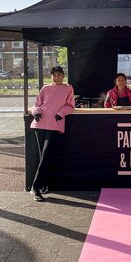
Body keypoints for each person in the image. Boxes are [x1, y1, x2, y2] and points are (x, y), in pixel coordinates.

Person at [29, 66, 75, 201]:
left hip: (54, 124)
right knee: (43, 156)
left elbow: (71, 105)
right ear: (51, 76)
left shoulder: (68, 88)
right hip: (40, 123)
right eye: (54, 75)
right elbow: (36, 104)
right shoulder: (45, 88)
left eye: (59, 75)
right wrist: (36, 112)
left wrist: (61, 113)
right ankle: (43, 184)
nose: (57, 78)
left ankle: (35, 187)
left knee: (46, 154)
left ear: (63, 76)